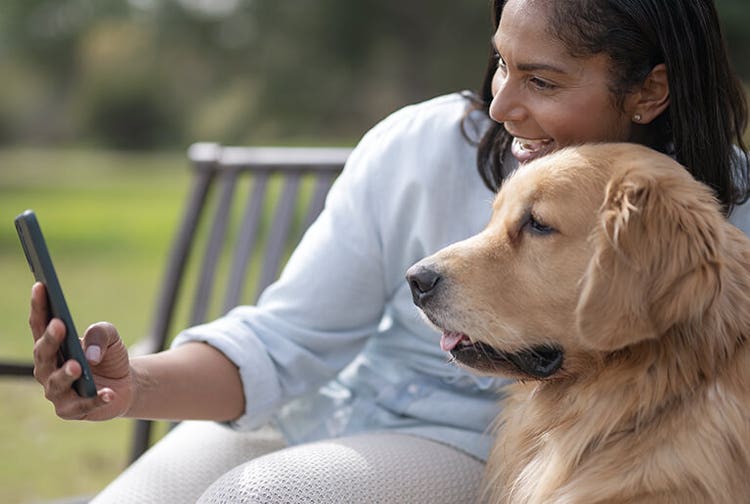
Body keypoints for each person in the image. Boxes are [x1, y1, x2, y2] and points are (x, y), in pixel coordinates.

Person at [28, 0, 749, 502]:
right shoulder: (424, 145)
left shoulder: (708, 216)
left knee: (261, 499)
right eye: (502, 64)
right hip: (319, 408)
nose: (499, 106)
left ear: (650, 90)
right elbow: (284, 340)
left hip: (471, 446)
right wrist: (131, 387)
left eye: (542, 80)